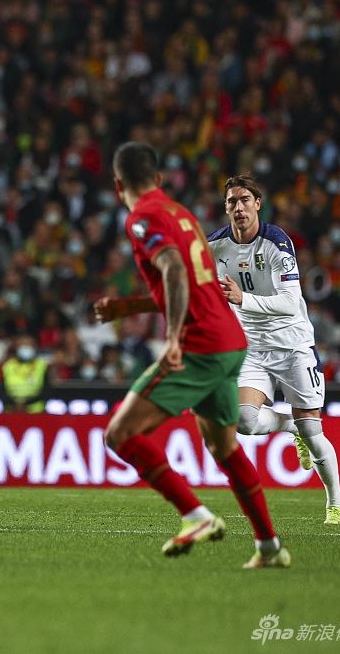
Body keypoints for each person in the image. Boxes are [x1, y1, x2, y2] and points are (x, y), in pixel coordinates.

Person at [94, 143, 289, 568]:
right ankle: (269, 547)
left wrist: (173, 339)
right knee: (225, 448)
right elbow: (190, 283)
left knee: (119, 435)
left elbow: (175, 272)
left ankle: (196, 516)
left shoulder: (142, 217)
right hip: (229, 341)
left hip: (200, 344)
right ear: (158, 179)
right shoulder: (181, 214)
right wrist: (129, 306)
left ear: (118, 185)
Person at [209, 175, 340, 525]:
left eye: (245, 200)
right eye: (232, 202)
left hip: (293, 346)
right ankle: (290, 426)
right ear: (225, 208)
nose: (239, 207)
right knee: (244, 421)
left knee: (313, 432)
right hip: (253, 349)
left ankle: (335, 503)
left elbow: (288, 302)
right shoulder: (215, 246)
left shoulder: (276, 243)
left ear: (258, 204)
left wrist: (243, 299)